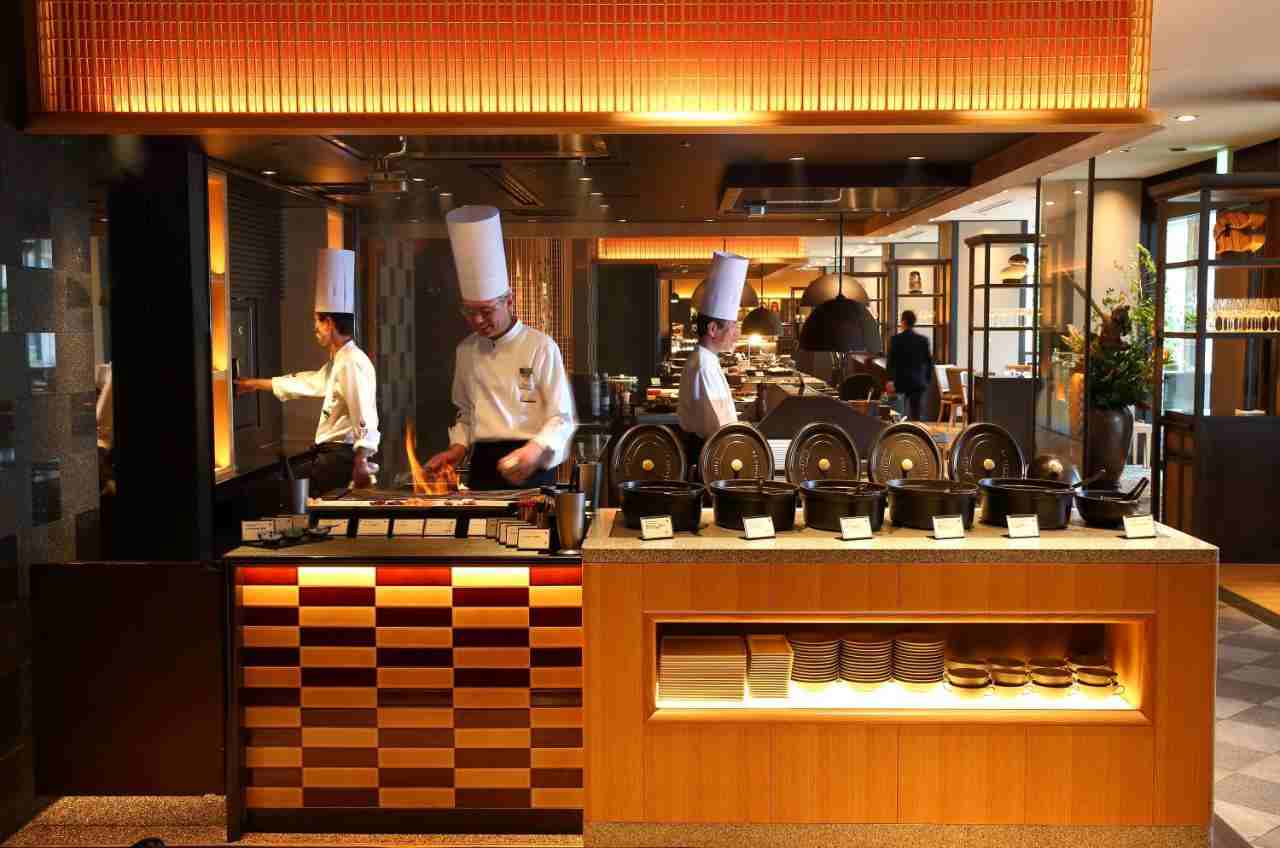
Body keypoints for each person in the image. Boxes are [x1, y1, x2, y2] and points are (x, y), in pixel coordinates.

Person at [426, 205, 576, 490]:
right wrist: (457, 449)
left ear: (509, 301)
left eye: (485, 311)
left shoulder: (541, 347)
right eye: (469, 312)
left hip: (530, 465)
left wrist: (533, 450)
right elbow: (466, 413)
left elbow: (561, 418)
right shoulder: (466, 351)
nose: (477, 320)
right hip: (483, 465)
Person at [236, 248, 380, 493]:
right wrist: (254, 384)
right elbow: (311, 382)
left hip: (340, 459)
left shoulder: (352, 361)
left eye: (317, 320)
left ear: (329, 323)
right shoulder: (341, 359)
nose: (315, 327)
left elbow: (363, 411)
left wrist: (361, 460)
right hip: (334, 457)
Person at [678, 251, 748, 450]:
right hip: (708, 452)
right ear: (713, 329)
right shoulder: (704, 366)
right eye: (733, 326)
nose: (737, 334)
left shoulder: (707, 359)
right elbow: (717, 425)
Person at [886, 310, 933, 421]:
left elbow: (891, 362)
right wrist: (927, 380)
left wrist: (890, 380)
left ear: (903, 322)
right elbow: (929, 362)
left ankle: (900, 430)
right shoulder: (923, 340)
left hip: (900, 381)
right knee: (916, 413)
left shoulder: (896, 339)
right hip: (917, 381)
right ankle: (915, 430)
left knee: (897, 413)